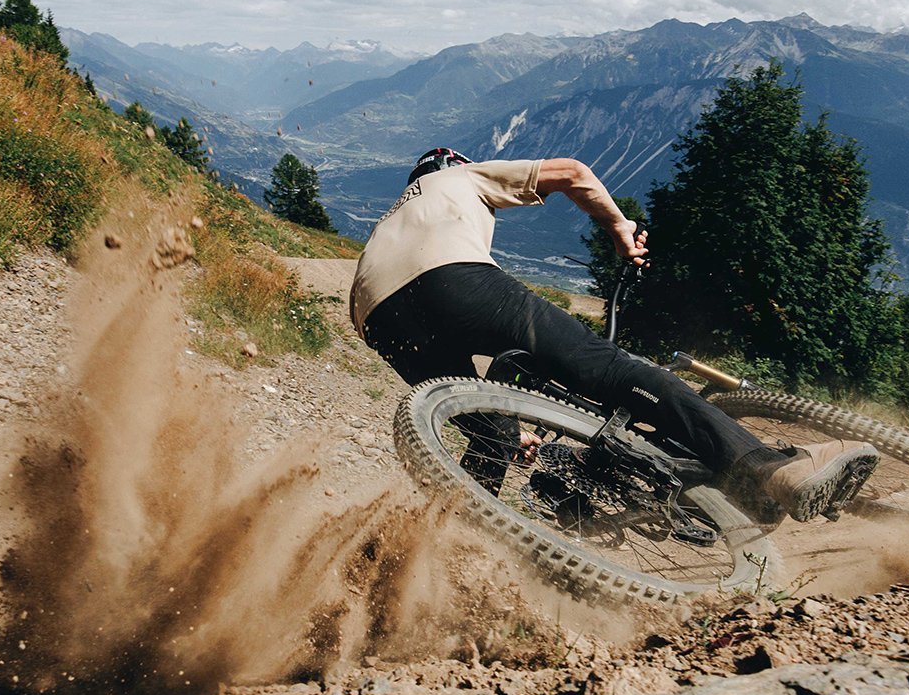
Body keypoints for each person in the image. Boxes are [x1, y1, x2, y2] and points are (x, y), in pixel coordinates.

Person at [350, 147, 878, 521]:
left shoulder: (391, 219)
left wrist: (520, 424)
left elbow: (450, 368)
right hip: (450, 276)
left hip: (373, 312)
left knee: (489, 433)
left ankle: (443, 545)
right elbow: (572, 174)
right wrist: (620, 230)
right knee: (618, 371)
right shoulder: (460, 178)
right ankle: (770, 470)